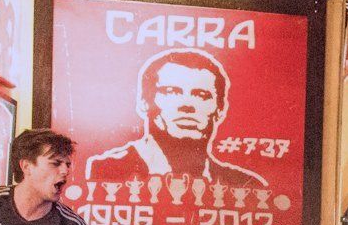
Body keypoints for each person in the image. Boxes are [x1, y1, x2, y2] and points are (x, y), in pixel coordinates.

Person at [84, 48, 265, 190]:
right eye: (171, 92)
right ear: (144, 103)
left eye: (201, 95)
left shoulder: (245, 185)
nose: (187, 104)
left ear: (220, 110)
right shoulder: (107, 170)